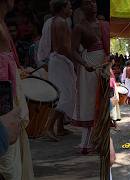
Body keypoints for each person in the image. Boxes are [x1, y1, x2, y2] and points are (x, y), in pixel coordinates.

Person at [38, 0, 85, 141]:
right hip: (61, 61)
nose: (71, 9)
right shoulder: (60, 23)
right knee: (65, 95)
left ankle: (60, 128)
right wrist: (78, 60)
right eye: (69, 7)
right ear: (62, 8)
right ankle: (48, 127)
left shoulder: (55, 21)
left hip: (58, 60)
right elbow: (63, 47)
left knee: (64, 93)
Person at [0, 0, 34, 178]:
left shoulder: (3, 22)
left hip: (9, 94)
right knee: (8, 159)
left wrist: (18, 71)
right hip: (4, 99)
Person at [71, 0, 109, 154]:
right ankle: (86, 143)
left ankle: (102, 140)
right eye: (87, 3)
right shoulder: (79, 27)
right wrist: (84, 64)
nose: (92, 5)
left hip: (104, 64)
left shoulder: (105, 24)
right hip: (90, 66)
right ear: (82, 8)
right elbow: (72, 50)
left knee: (105, 101)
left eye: (93, 2)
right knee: (90, 102)